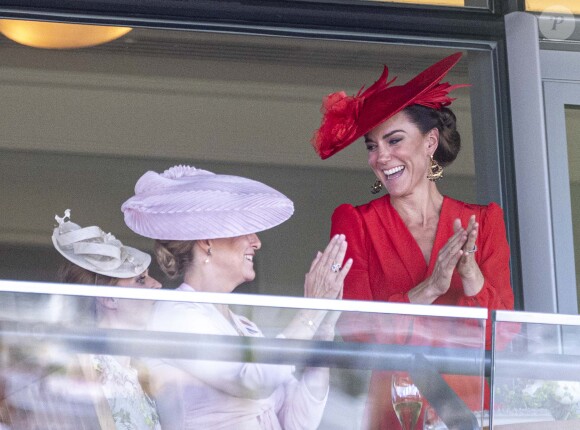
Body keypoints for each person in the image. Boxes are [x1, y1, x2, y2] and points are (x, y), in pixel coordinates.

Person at [311, 52, 515, 429]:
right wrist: (429, 288)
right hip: (393, 410)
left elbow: (501, 342)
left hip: (470, 411)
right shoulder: (355, 222)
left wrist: (471, 278)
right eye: (372, 146)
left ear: (430, 142)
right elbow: (355, 332)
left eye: (394, 140)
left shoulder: (484, 221)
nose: (380, 156)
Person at [121, 165, 353, 430]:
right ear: (207, 241)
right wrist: (310, 312)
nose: (256, 242)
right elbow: (252, 381)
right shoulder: (175, 313)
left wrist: (323, 330)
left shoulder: (244, 327)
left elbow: (299, 422)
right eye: (246, 229)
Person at [51, 209, 163, 430]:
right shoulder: (80, 368)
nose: (157, 285)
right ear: (108, 298)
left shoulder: (142, 371)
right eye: (141, 280)